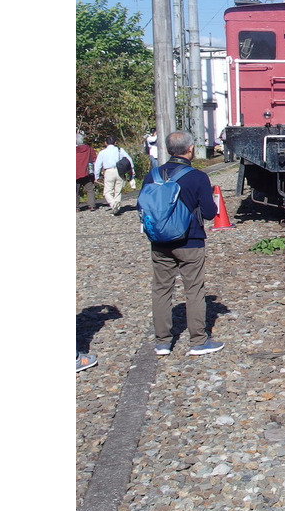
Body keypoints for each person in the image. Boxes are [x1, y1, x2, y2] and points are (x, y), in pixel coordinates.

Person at [136, 130, 221, 356]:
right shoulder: (198, 177)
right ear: (190, 149)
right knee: (193, 290)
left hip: (160, 242)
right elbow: (210, 213)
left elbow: (142, 208)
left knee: (161, 289)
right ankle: (198, 342)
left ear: (167, 150)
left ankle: (162, 342)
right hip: (191, 241)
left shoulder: (152, 175)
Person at [94, 137, 135, 215]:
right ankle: (117, 207)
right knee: (118, 191)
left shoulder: (102, 152)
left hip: (108, 172)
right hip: (119, 171)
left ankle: (113, 204)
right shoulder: (120, 150)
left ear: (105, 143)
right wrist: (132, 172)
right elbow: (129, 160)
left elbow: (97, 165)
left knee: (107, 192)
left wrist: (96, 176)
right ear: (115, 143)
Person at [76, 139, 99, 211]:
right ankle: (92, 205)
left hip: (76, 173)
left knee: (75, 191)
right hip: (87, 172)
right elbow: (94, 159)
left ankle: (76, 207)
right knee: (90, 189)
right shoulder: (89, 149)